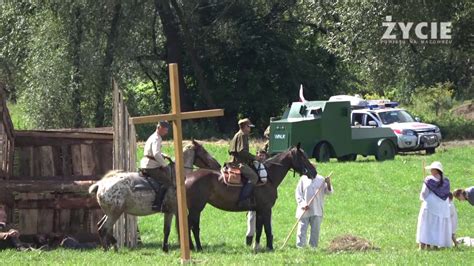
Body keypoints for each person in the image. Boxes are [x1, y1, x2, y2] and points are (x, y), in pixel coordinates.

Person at [416, 161, 452, 250]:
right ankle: (435, 245)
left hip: (430, 206)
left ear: (436, 170)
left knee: (426, 225)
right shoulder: (446, 182)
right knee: (437, 226)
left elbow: (424, 193)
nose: (431, 171)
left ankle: (423, 245)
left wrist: (422, 198)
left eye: (432, 169)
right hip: (443, 208)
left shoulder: (429, 180)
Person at [295, 165, 333, 248]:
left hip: (317, 209)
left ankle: (313, 247)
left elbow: (329, 192)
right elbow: (298, 194)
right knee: (302, 229)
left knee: (315, 230)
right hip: (304, 210)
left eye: (312, 168)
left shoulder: (321, 179)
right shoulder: (303, 179)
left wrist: (328, 183)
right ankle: (300, 247)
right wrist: (303, 204)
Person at [140, 121, 174, 211]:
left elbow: (154, 152)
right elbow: (155, 154)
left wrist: (163, 155)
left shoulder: (153, 136)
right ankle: (157, 204)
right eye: (165, 130)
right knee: (167, 182)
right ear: (160, 128)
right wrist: (164, 165)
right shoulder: (156, 139)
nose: (166, 132)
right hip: (150, 166)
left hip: (147, 163)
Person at [229, 118, 259, 209]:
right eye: (248, 127)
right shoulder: (243, 135)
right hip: (239, 163)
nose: (250, 129)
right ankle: (243, 200)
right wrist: (254, 157)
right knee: (254, 177)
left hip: (234, 161)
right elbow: (241, 151)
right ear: (244, 127)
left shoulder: (237, 135)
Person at [246, 149, 269, 246]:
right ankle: (248, 243)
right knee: (251, 224)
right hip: (254, 200)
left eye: (263, 155)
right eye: (260, 154)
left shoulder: (267, 167)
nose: (261, 157)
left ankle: (258, 243)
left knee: (265, 222)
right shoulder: (253, 165)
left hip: (263, 200)